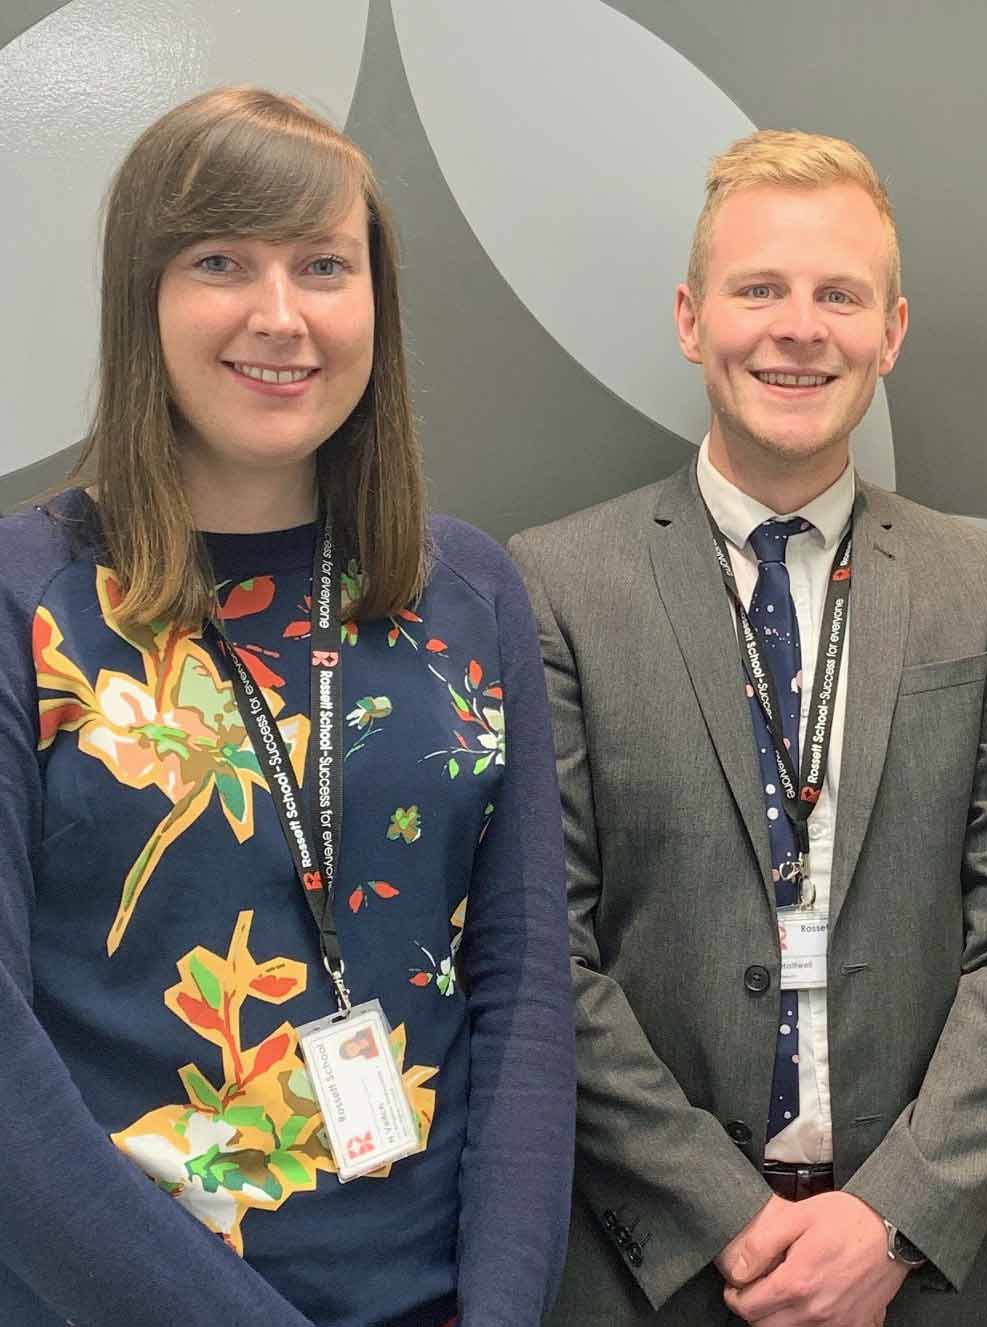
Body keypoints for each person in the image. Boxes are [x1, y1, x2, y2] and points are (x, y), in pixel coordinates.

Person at [0, 88, 574, 1327]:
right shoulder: (25, 602)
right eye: (221, 262)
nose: (282, 315)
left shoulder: (465, 593)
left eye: (324, 265)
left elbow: (521, 986)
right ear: (140, 298)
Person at [508, 129, 987, 1327]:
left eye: (838, 295)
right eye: (758, 288)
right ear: (687, 315)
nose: (797, 326)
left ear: (891, 331)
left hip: (926, 1269)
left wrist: (891, 1219)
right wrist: (729, 1215)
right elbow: (543, 952)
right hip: (647, 1267)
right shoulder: (554, 584)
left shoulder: (981, 587)